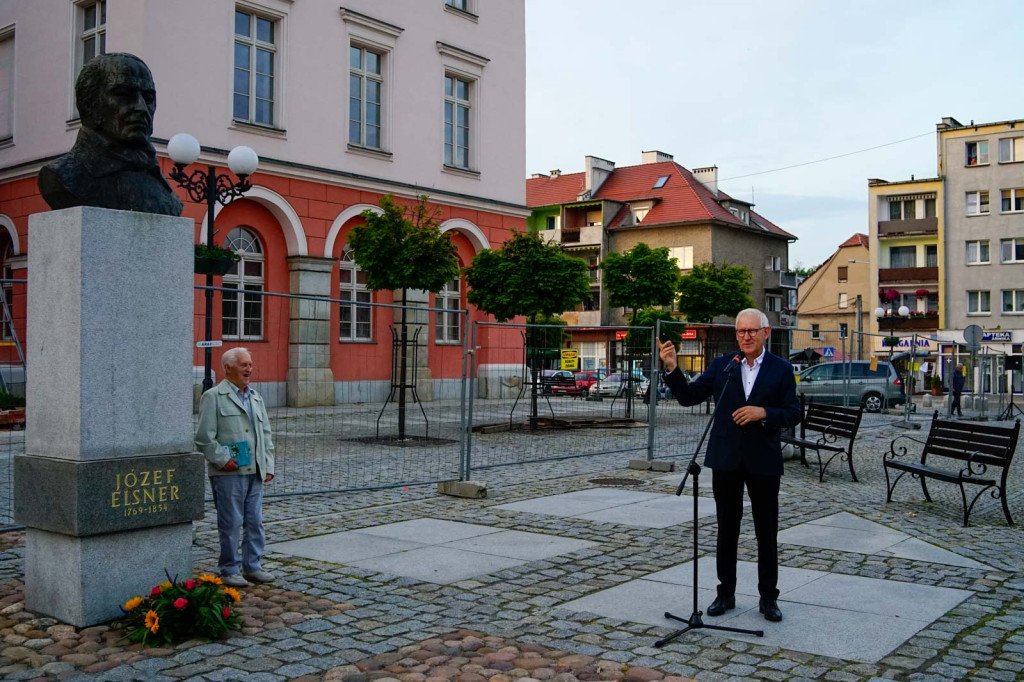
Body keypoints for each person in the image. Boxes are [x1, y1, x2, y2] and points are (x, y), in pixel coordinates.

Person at [658, 309, 801, 622]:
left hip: (763, 460)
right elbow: (689, 396)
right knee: (727, 528)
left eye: (752, 331)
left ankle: (768, 598)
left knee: (766, 531)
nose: (746, 337)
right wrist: (672, 368)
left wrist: (764, 413)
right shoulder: (724, 364)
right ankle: (725, 593)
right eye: (740, 332)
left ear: (765, 333)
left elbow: (793, 413)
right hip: (726, 458)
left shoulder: (781, 369)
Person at [38, 52, 184, 216]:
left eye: (148, 98)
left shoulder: (163, 189)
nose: (142, 108)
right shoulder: (63, 175)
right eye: (123, 94)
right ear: (88, 103)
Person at [195, 347, 276, 587]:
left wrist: (268, 464)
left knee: (255, 522)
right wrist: (221, 459)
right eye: (244, 365)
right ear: (228, 368)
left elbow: (266, 435)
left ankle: (253, 566)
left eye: (250, 364)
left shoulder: (256, 397)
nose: (249, 369)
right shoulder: (213, 397)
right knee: (230, 523)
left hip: (255, 471)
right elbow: (204, 438)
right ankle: (229, 569)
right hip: (228, 473)